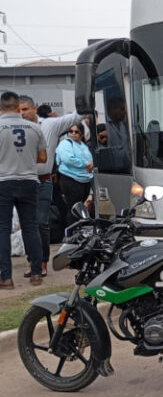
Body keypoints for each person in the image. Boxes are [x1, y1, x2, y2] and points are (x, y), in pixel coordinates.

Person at [18, 95, 85, 277]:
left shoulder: (50, 125)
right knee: (27, 224)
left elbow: (76, 116)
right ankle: (32, 261)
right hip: (22, 181)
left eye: (25, 109)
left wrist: (86, 96)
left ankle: (42, 262)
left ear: (35, 108)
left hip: (43, 180)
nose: (22, 113)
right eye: (18, 110)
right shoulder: (14, 128)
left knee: (41, 222)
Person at [0, 91, 47, 288]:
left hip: (3, 181)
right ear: (18, 106)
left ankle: (5, 277)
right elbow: (43, 158)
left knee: (2, 228)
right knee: (31, 227)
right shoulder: (34, 128)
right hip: (29, 180)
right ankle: (36, 273)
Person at [56, 122, 94, 226]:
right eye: (71, 131)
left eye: (76, 131)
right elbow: (68, 159)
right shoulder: (65, 143)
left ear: (81, 133)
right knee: (74, 208)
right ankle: (72, 230)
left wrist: (91, 164)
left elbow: (90, 158)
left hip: (85, 179)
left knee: (80, 208)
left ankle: (79, 229)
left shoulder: (83, 145)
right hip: (71, 179)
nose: (73, 133)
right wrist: (86, 164)